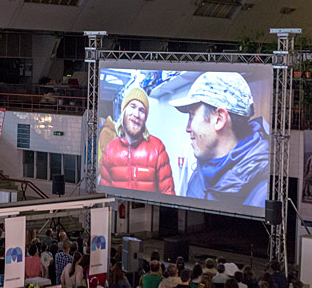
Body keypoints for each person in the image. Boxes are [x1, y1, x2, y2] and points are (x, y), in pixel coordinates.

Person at [170, 72, 269, 207]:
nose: (187, 128)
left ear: (219, 119)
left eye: (192, 116)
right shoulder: (201, 173)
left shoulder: (264, 192)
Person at [99, 87, 175, 194]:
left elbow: (168, 193)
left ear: (145, 118)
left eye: (142, 110)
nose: (136, 114)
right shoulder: (110, 149)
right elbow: (104, 191)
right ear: (124, 111)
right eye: (133, 107)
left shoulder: (157, 148)